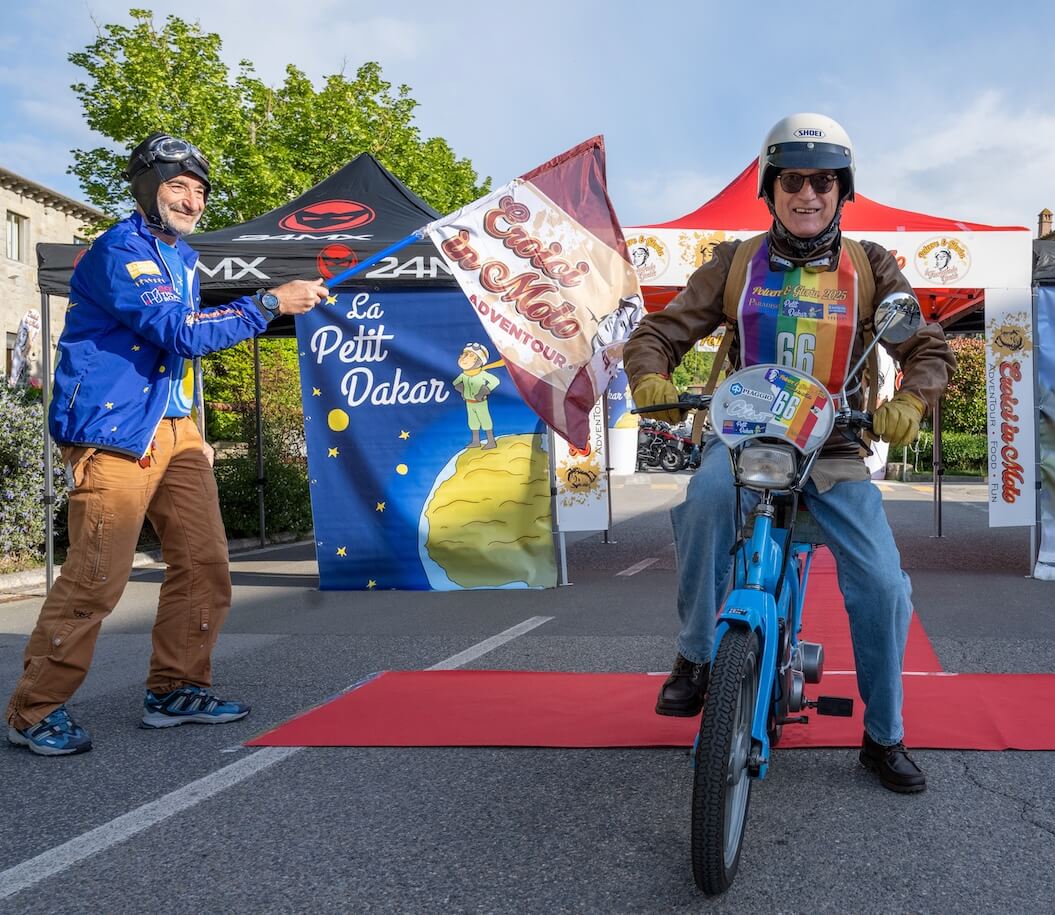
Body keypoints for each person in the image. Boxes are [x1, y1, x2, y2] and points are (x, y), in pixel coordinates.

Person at [623, 113, 956, 793]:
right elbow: (657, 330)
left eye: (823, 182)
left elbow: (925, 346)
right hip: (744, 439)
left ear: (842, 191)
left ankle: (882, 733)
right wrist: (649, 374)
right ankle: (692, 657)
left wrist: (911, 401)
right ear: (770, 190)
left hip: (831, 446)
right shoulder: (733, 262)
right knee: (704, 502)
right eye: (793, 181)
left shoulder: (871, 266)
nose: (808, 194)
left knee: (884, 585)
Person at [6, 132, 329, 756]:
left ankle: (176, 688)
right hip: (114, 433)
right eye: (178, 186)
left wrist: (192, 425)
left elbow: (177, 360)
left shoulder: (181, 257)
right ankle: (33, 710)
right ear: (148, 190)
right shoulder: (121, 251)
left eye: (199, 190)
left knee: (205, 565)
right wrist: (268, 302)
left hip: (174, 434)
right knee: (98, 577)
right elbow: (178, 332)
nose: (191, 199)